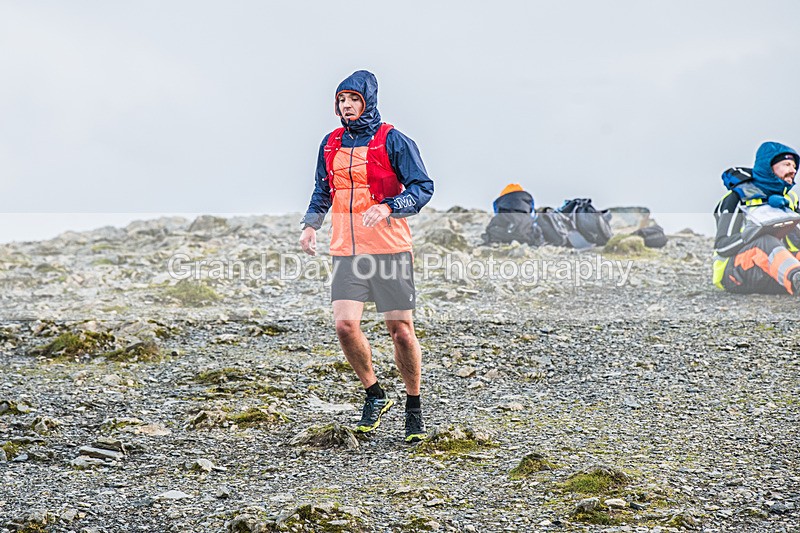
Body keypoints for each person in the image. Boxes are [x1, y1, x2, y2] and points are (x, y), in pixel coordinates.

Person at [299, 70, 434, 442]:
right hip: (346, 251)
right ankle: (375, 393)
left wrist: (390, 207)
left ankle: (413, 406)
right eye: (341, 99)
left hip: (390, 249)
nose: (346, 105)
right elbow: (321, 191)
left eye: (353, 99)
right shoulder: (330, 144)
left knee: (401, 333)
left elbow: (423, 188)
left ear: (367, 102)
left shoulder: (393, 140)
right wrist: (310, 225)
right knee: (344, 326)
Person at [713, 141, 800, 294]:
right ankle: (796, 278)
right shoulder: (737, 197)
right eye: (787, 164)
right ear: (769, 167)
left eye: (794, 166)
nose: (793, 170)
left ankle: (794, 277)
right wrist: (751, 233)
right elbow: (722, 246)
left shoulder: (790, 199)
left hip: (774, 274)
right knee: (764, 241)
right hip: (736, 275)